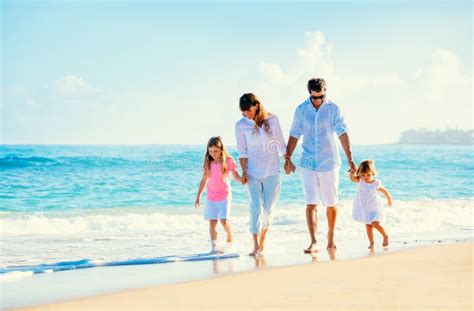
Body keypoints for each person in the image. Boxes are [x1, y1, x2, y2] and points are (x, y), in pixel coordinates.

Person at [285, 78, 357, 252]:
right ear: (309, 93)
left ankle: (331, 239)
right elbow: (294, 134)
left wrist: (350, 158)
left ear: (325, 92)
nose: (318, 100)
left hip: (329, 163)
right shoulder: (301, 110)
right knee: (311, 203)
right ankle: (314, 241)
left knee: (331, 203)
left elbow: (342, 132)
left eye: (321, 97)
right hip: (307, 163)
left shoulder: (334, 108)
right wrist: (287, 158)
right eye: (314, 97)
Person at [235, 93, 287, 257]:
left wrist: (287, 160)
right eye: (243, 112)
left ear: (256, 105)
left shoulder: (272, 119)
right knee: (255, 207)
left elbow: (280, 143)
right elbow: (242, 150)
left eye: (248, 111)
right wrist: (243, 172)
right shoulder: (240, 125)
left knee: (268, 209)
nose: (246, 115)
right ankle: (255, 245)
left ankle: (262, 241)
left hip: (272, 172)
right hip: (252, 173)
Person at [195, 136, 242, 253]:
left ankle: (230, 238)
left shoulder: (228, 161)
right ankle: (214, 247)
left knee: (223, 221)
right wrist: (198, 196)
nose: (213, 154)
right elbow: (203, 180)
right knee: (212, 222)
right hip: (211, 197)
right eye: (210, 151)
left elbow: (236, 176)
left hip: (224, 196)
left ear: (221, 149)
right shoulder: (208, 162)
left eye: (215, 151)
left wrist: (243, 180)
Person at [349, 159, 393, 249]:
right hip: (365, 208)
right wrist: (352, 173)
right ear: (360, 174)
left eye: (368, 175)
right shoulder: (360, 180)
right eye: (363, 174)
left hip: (375, 207)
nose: (365, 177)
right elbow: (353, 179)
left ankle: (385, 236)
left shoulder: (375, 183)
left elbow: (384, 190)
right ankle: (372, 243)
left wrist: (389, 199)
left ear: (373, 173)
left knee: (375, 224)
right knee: (368, 226)